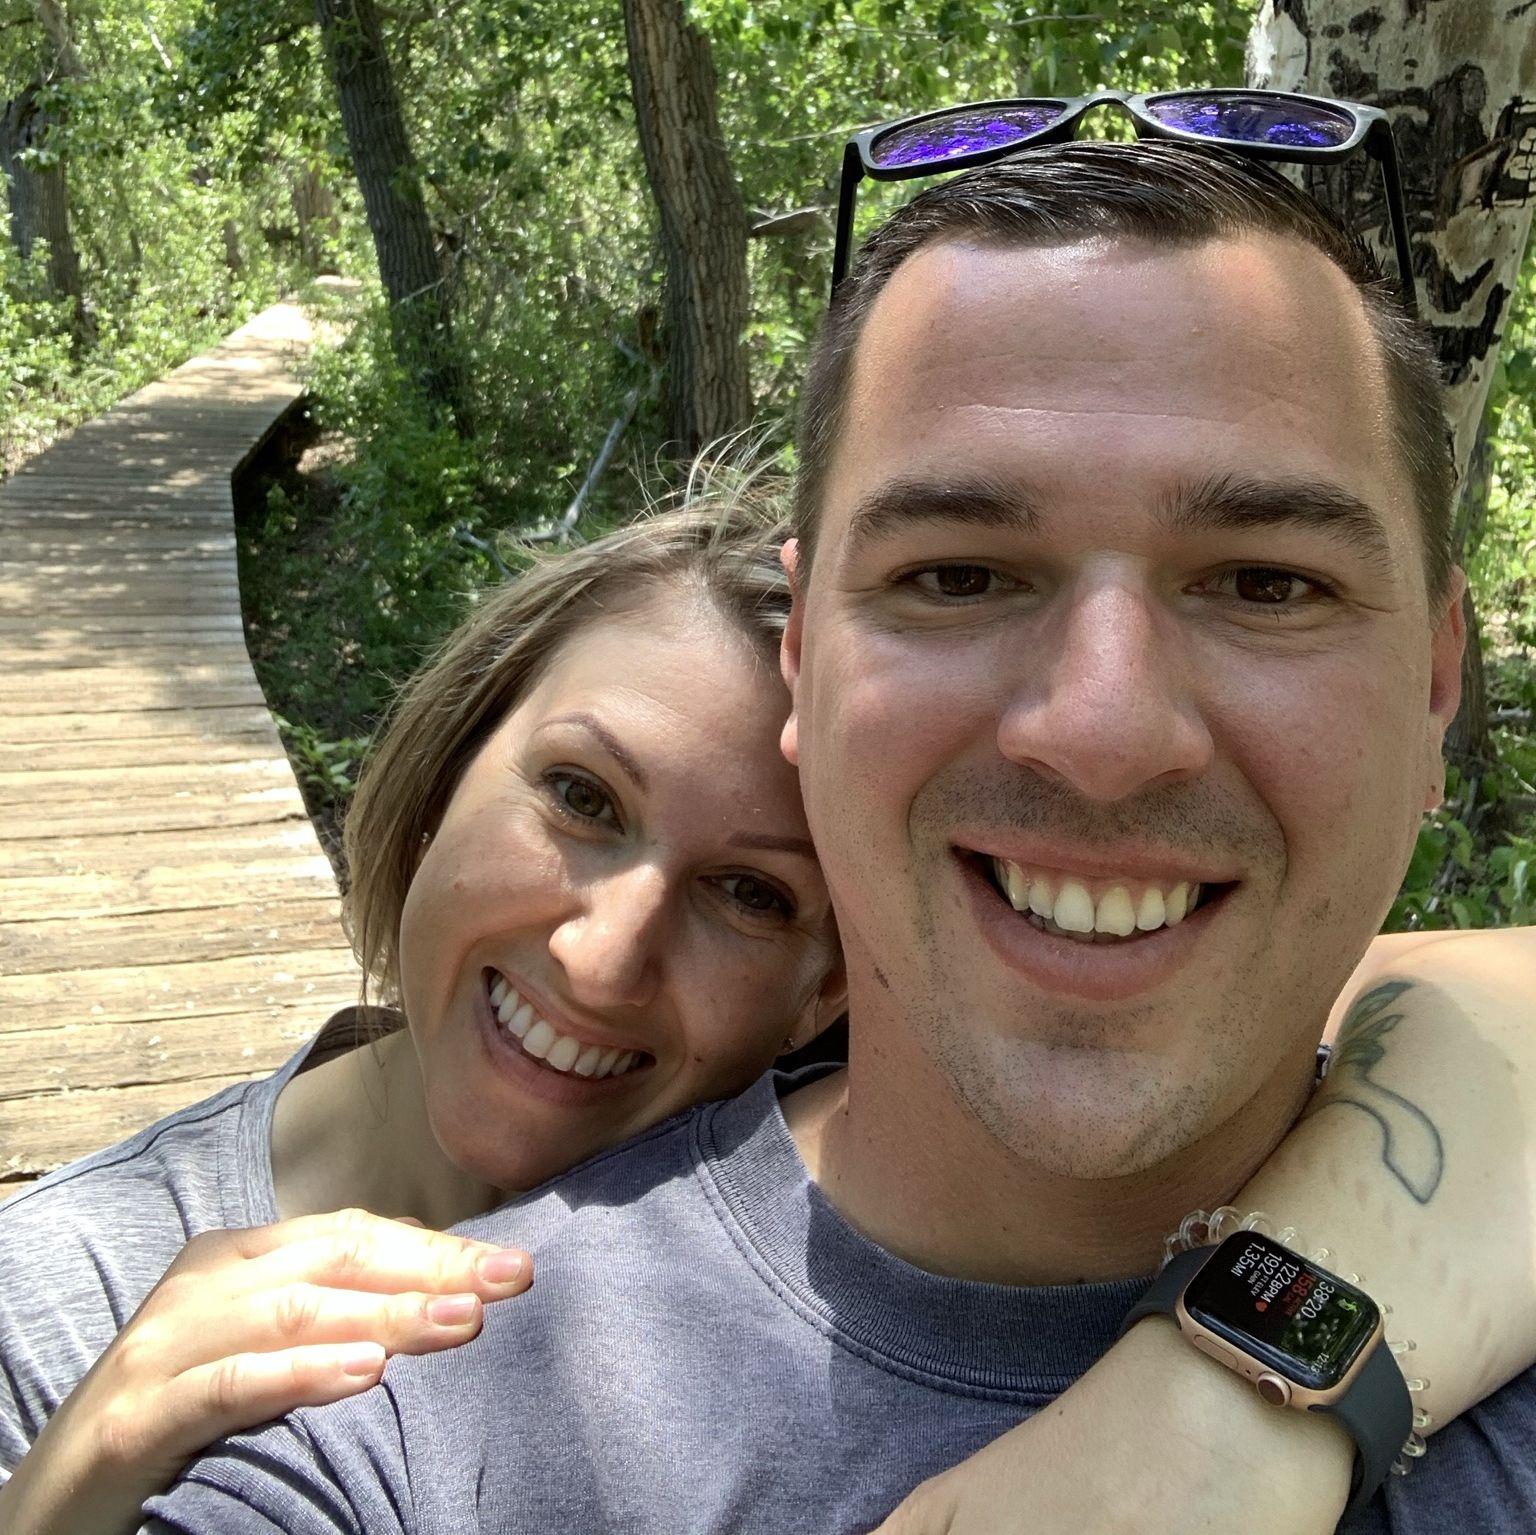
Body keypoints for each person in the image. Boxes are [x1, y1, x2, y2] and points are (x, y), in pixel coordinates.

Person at [132, 139, 1536, 1534]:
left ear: (1434, 679)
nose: (1103, 731)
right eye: (961, 575)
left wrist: (1231, 1390)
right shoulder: (391, 1441)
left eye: (1265, 583)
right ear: (799, 658)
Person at [0, 482, 1528, 1535]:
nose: (602, 956)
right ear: (452, 744)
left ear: (842, 978)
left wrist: (1222, 1397)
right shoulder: (59, 1299)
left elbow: (1447, 996)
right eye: (581, 798)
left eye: (755, 896)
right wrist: (68, 1487)